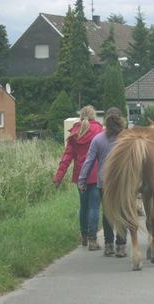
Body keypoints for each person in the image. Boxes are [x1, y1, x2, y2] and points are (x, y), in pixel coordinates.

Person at [78, 107, 128, 257]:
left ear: (105, 120)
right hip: (123, 181)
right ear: (121, 119)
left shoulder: (98, 139)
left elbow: (89, 161)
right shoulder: (127, 138)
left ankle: (108, 245)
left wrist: (82, 179)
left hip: (104, 181)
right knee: (123, 212)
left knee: (107, 213)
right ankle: (121, 246)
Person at [54, 105, 103, 250]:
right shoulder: (99, 131)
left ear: (80, 117)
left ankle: (83, 236)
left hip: (80, 175)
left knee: (84, 206)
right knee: (94, 206)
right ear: (94, 116)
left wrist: (58, 177)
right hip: (95, 174)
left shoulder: (75, 133)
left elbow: (67, 157)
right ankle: (93, 240)